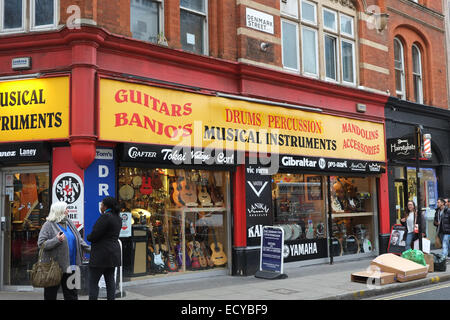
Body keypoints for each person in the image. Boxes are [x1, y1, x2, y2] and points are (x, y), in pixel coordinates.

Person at [37, 201, 91, 300]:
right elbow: (41, 244)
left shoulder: (69, 222)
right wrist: (56, 240)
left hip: (72, 266)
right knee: (50, 295)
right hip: (54, 267)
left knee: (72, 295)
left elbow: (79, 240)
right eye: (66, 209)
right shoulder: (48, 225)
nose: (68, 211)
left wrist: (91, 249)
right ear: (60, 211)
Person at [87, 196, 122, 300]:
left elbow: (94, 235)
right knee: (110, 282)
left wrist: (89, 237)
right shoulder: (118, 218)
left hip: (101, 256)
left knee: (93, 282)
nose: (100, 207)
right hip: (113, 255)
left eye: (101, 205)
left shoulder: (106, 217)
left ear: (105, 206)